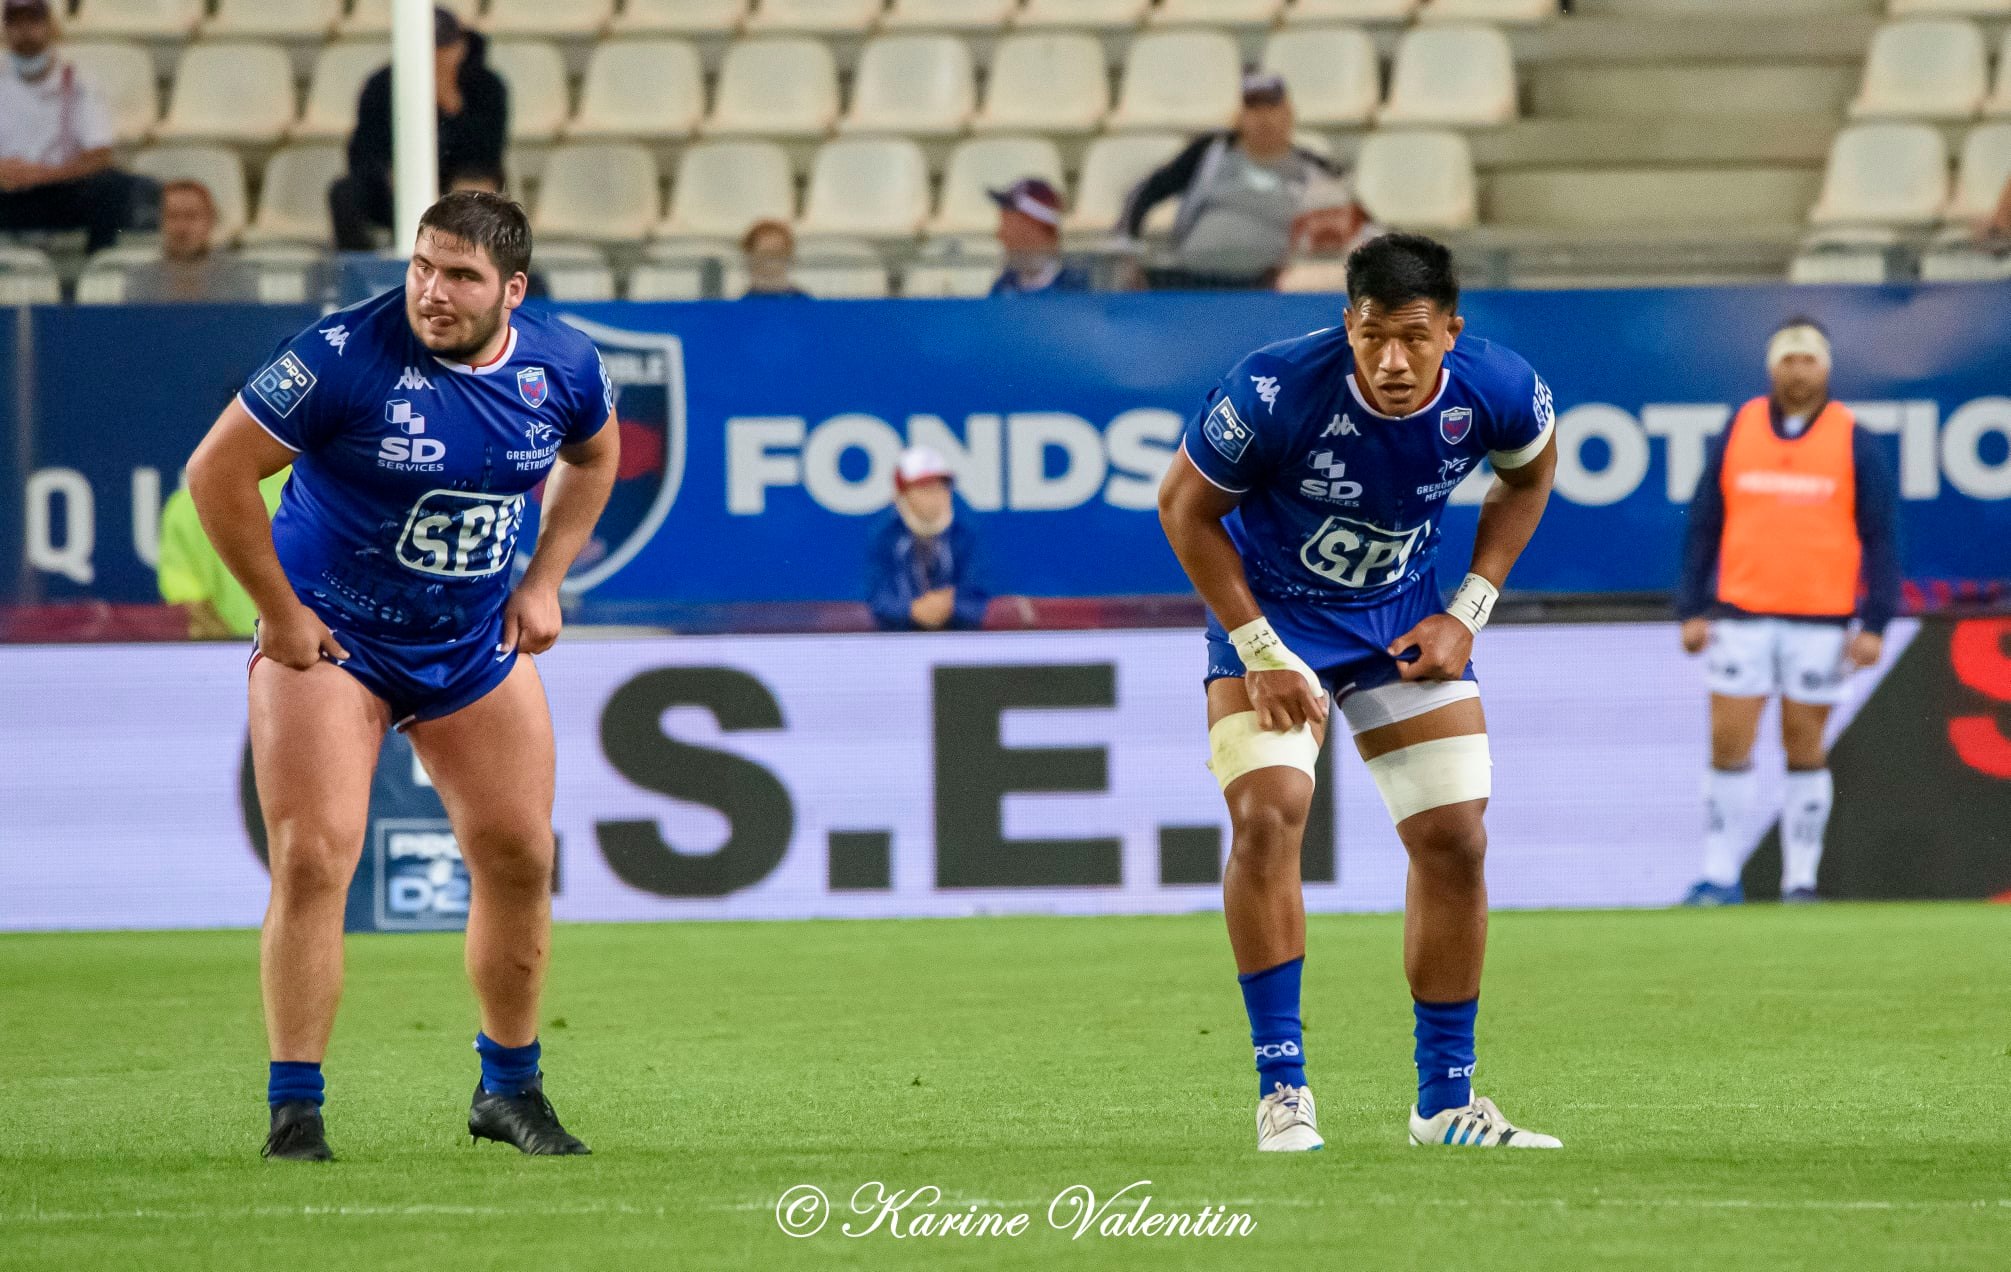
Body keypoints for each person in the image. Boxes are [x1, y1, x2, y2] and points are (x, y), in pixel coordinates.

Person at [185, 191, 619, 1161]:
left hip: (468, 639)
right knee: (313, 857)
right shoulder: (343, 356)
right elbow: (215, 474)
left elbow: (596, 458)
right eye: (422, 266)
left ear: (513, 289)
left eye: (460, 276)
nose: (431, 291)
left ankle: (508, 1090)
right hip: (334, 639)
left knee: (518, 854)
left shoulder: (563, 365)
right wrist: (285, 616)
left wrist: (545, 580)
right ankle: (296, 1114)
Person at [1157, 232, 1563, 1153]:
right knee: (1268, 816)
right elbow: (1183, 508)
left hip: (1400, 622)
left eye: (1413, 337)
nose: (1389, 360)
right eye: (1371, 334)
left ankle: (1445, 1101)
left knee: (1454, 837)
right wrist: (1259, 649)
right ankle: (1282, 1089)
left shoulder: (1498, 389)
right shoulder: (1271, 389)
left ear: (1451, 332)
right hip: (1271, 622)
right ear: (1347, 323)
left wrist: (1469, 607)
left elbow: (1529, 474)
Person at [1675, 317, 1901, 906]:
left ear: (1825, 368)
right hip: (1743, 614)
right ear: (1773, 368)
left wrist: (1875, 621)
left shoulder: (1854, 438)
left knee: (1804, 747)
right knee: (1729, 742)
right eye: (1788, 360)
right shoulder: (1740, 428)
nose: (1798, 371)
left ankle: (1800, 880)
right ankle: (1719, 876)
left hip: (1820, 619)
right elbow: (1704, 522)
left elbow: (1879, 535)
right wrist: (1692, 607)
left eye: (1808, 360)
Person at [1117, 71, 1362, 291]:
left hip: (1269, 289)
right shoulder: (1208, 153)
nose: (1263, 117)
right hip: (1189, 281)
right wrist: (1127, 252)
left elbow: (1359, 225)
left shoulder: (1316, 170)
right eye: (1253, 108)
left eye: (1271, 107)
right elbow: (1144, 193)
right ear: (1239, 116)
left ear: (1289, 115)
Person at [329, 7, 507, 251]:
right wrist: (389, 173)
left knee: (475, 194)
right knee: (345, 193)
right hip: (393, 189)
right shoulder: (381, 85)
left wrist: (453, 109)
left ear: (460, 48)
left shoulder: (486, 87)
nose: (434, 59)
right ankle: (362, 271)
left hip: (459, 184)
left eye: (442, 50)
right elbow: (362, 149)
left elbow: (487, 154)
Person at [0, 0, 153, 253]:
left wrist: (39, 175)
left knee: (114, 187)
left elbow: (100, 155)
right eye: (15, 22)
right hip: (7, 194)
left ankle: (99, 272)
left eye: (33, 20)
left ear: (52, 27)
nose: (25, 30)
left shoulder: (80, 82)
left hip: (59, 190)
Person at [867, 448, 989, 632]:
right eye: (925, 489)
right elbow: (874, 598)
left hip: (960, 645)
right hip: (895, 646)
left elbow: (980, 597)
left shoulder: (965, 537)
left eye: (941, 487)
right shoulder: (884, 539)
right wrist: (912, 610)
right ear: (904, 494)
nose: (936, 496)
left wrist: (950, 606)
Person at [158, 468, 289, 638]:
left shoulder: (185, 504)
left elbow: (193, 607)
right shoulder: (315, 491)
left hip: (225, 654)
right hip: (306, 652)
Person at [124, 179, 262, 303]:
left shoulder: (238, 278)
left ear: (210, 221)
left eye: (191, 216)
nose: (181, 227)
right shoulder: (141, 279)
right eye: (173, 216)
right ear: (161, 222)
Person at [987, 177, 1089, 296]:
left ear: (1037, 229)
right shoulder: (1004, 286)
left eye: (1011, 227)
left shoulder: (1075, 287)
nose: (1001, 236)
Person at [739, 218, 809, 299]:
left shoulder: (807, 306)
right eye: (763, 255)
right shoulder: (738, 308)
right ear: (749, 258)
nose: (771, 262)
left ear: (790, 257)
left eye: (778, 254)